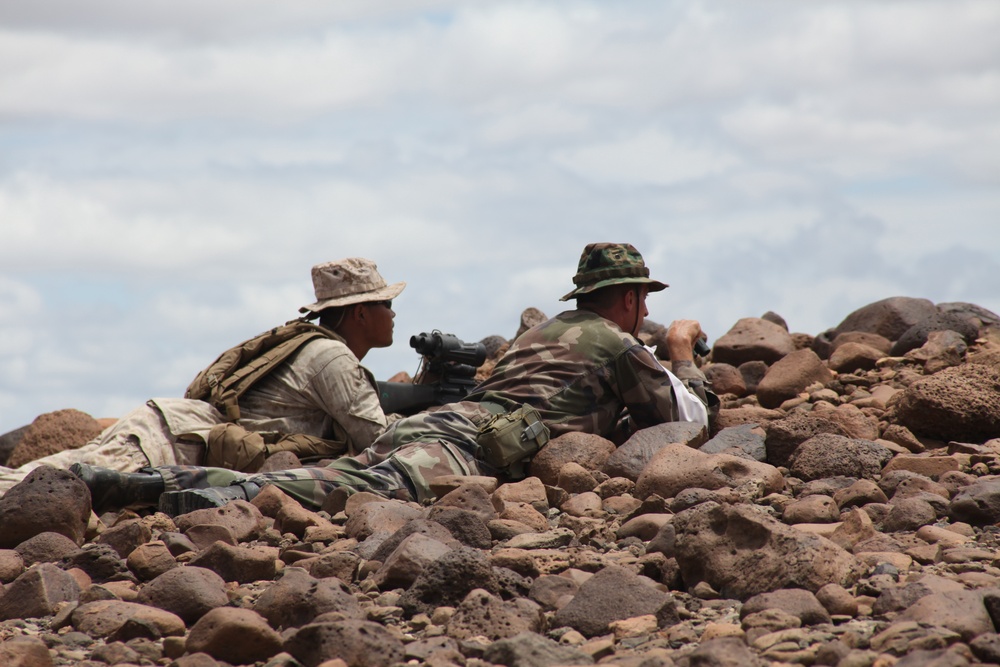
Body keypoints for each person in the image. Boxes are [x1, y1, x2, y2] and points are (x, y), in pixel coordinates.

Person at [74, 242, 717, 516]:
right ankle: (216, 498)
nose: (649, 313)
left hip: (439, 423)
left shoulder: (541, 330)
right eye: (644, 300)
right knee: (358, 487)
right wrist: (681, 350)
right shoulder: (618, 343)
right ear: (629, 299)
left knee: (339, 476)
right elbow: (687, 422)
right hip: (467, 443)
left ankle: (146, 484)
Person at [0, 258, 404, 497]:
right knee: (30, 487)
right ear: (360, 313)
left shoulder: (313, 346)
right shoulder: (331, 355)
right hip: (166, 445)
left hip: (170, 433)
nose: (394, 314)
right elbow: (377, 441)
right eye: (386, 304)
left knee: (36, 481)